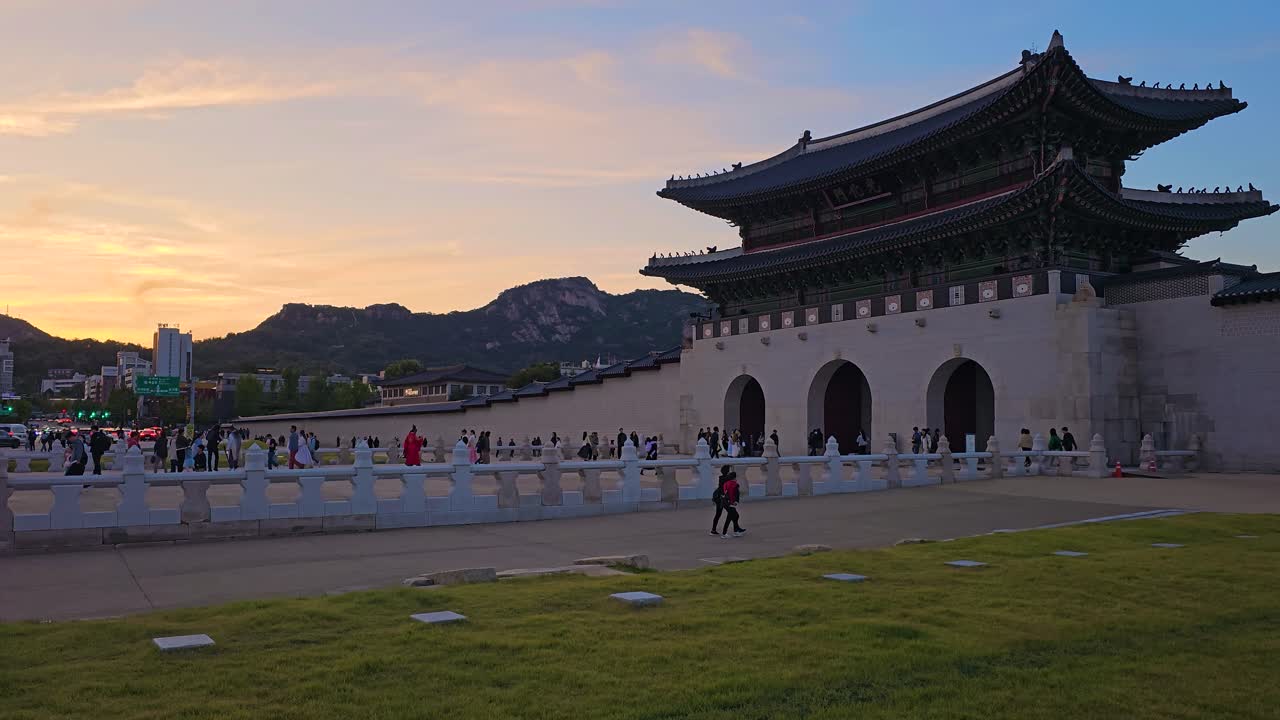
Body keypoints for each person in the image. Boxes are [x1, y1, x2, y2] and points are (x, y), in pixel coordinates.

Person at [719, 469, 745, 538]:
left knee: (735, 516)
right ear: (734, 477)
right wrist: (733, 502)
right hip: (730, 503)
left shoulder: (726, 483)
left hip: (725, 502)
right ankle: (724, 533)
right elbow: (732, 494)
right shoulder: (734, 484)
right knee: (730, 518)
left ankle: (736, 531)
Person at [710, 466, 733, 535]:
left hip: (719, 498)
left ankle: (713, 530)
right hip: (721, 499)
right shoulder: (726, 478)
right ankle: (733, 530)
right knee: (732, 513)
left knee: (718, 514)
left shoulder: (721, 478)